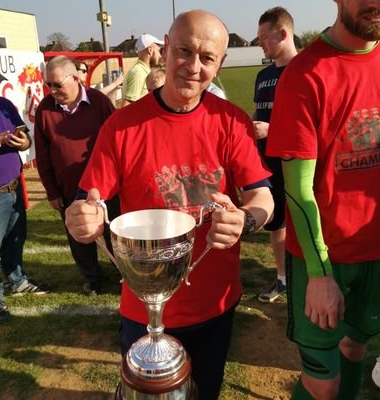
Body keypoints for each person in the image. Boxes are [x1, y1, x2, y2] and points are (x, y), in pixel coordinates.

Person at [65, 10, 274, 399]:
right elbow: (88, 199)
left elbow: (263, 197)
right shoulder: (122, 126)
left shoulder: (232, 122)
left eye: (207, 58)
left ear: (220, 63)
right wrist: (83, 217)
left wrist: (246, 219)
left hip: (216, 302)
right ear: (165, 48)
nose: (193, 67)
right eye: (184, 51)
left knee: (204, 391)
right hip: (143, 305)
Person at [266, 0, 380, 398]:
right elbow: (297, 190)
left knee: (356, 348)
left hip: (376, 254)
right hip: (325, 257)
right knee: (322, 383)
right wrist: (319, 274)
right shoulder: (305, 74)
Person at [34, 56, 119, 296]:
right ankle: (91, 278)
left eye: (57, 84)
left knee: (115, 231)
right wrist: (51, 191)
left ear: (75, 78)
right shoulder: (45, 109)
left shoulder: (99, 102)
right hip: (68, 186)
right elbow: (43, 154)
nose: (52, 90)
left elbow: (117, 140)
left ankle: (124, 270)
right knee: (79, 236)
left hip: (105, 186)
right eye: (48, 84)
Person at [0, 53, 51, 323]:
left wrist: (23, 143)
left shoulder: (4, 104)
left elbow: (25, 136)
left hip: (12, 189)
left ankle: (17, 281)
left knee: (15, 239)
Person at [253, 7, 298, 303]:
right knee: (276, 221)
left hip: (298, 162)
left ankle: (311, 276)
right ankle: (282, 278)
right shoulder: (263, 74)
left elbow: (316, 123)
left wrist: (273, 130)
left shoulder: (306, 69)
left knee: (303, 221)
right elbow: (259, 112)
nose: (259, 44)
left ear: (282, 34)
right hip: (267, 162)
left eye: (262, 38)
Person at [121, 33, 163, 106]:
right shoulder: (138, 72)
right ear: (150, 50)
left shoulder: (143, 71)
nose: (160, 55)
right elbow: (126, 106)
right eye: (158, 51)